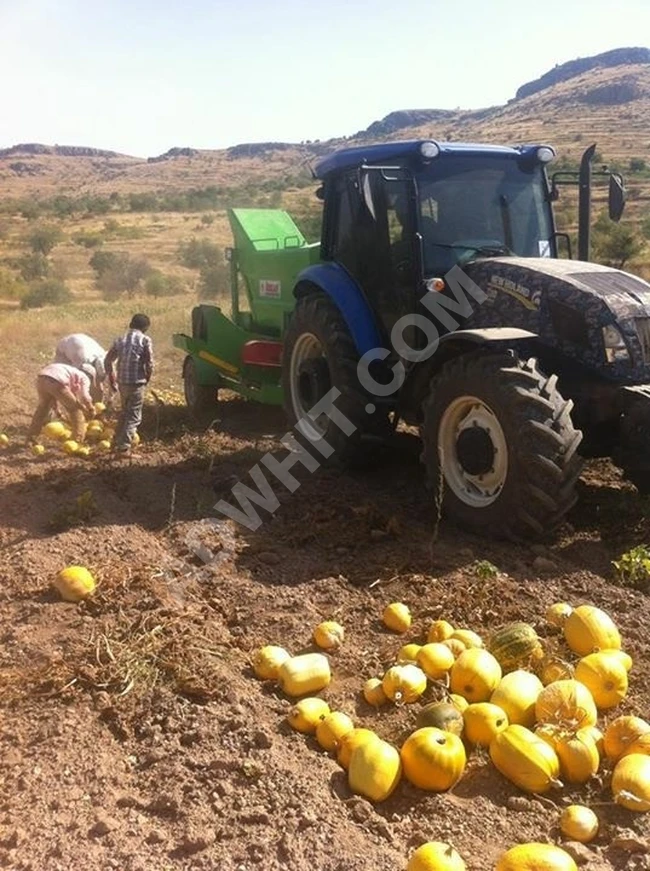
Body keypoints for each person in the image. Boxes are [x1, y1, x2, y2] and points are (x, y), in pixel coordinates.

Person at [105, 314, 154, 456]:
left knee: (125, 412)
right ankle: (124, 448)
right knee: (134, 416)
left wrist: (111, 377)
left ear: (131, 324)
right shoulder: (145, 340)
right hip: (136, 383)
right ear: (145, 327)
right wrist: (147, 378)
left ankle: (115, 443)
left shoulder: (120, 339)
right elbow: (149, 363)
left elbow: (108, 360)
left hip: (122, 383)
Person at [26, 362, 94, 445]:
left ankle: (31, 438)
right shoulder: (84, 377)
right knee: (75, 410)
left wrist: (57, 411)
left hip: (41, 379)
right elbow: (84, 396)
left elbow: (54, 396)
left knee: (42, 409)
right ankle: (77, 440)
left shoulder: (71, 371)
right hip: (57, 381)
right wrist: (91, 408)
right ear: (90, 376)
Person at [54, 333, 108, 403]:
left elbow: (99, 379)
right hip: (68, 347)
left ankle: (93, 402)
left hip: (79, 339)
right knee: (64, 379)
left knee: (94, 383)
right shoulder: (81, 358)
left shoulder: (101, 353)